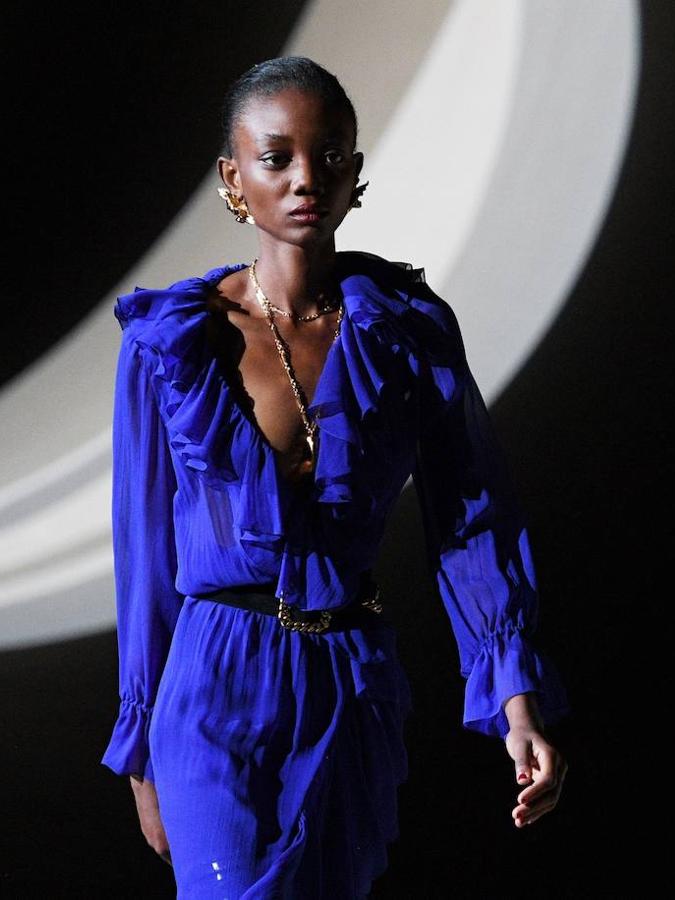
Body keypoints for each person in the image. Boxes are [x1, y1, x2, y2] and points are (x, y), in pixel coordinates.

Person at [99, 56, 571, 896]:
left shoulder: (409, 330)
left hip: (348, 682)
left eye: (332, 154)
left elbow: (470, 516)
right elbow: (142, 558)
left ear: (357, 169)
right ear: (233, 176)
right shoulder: (172, 342)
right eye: (276, 157)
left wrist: (517, 702)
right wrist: (139, 750)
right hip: (212, 686)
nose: (306, 178)